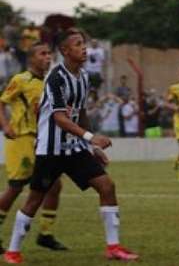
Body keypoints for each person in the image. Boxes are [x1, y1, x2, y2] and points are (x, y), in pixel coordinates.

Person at [3, 28, 138, 263]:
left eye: (84, 43)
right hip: (50, 150)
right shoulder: (55, 78)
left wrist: (91, 146)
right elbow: (60, 118)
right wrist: (90, 138)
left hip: (74, 148)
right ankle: (13, 251)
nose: (83, 48)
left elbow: (80, 113)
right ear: (65, 51)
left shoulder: (83, 76)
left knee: (107, 186)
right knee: (34, 199)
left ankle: (113, 247)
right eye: (77, 44)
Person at [0, 42, 68, 252]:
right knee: (15, 187)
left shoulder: (51, 82)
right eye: (43, 54)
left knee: (55, 186)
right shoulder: (21, 80)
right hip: (22, 139)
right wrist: (5, 125)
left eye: (49, 53)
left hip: (43, 141)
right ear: (32, 58)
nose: (48, 57)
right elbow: (1, 102)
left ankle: (45, 234)